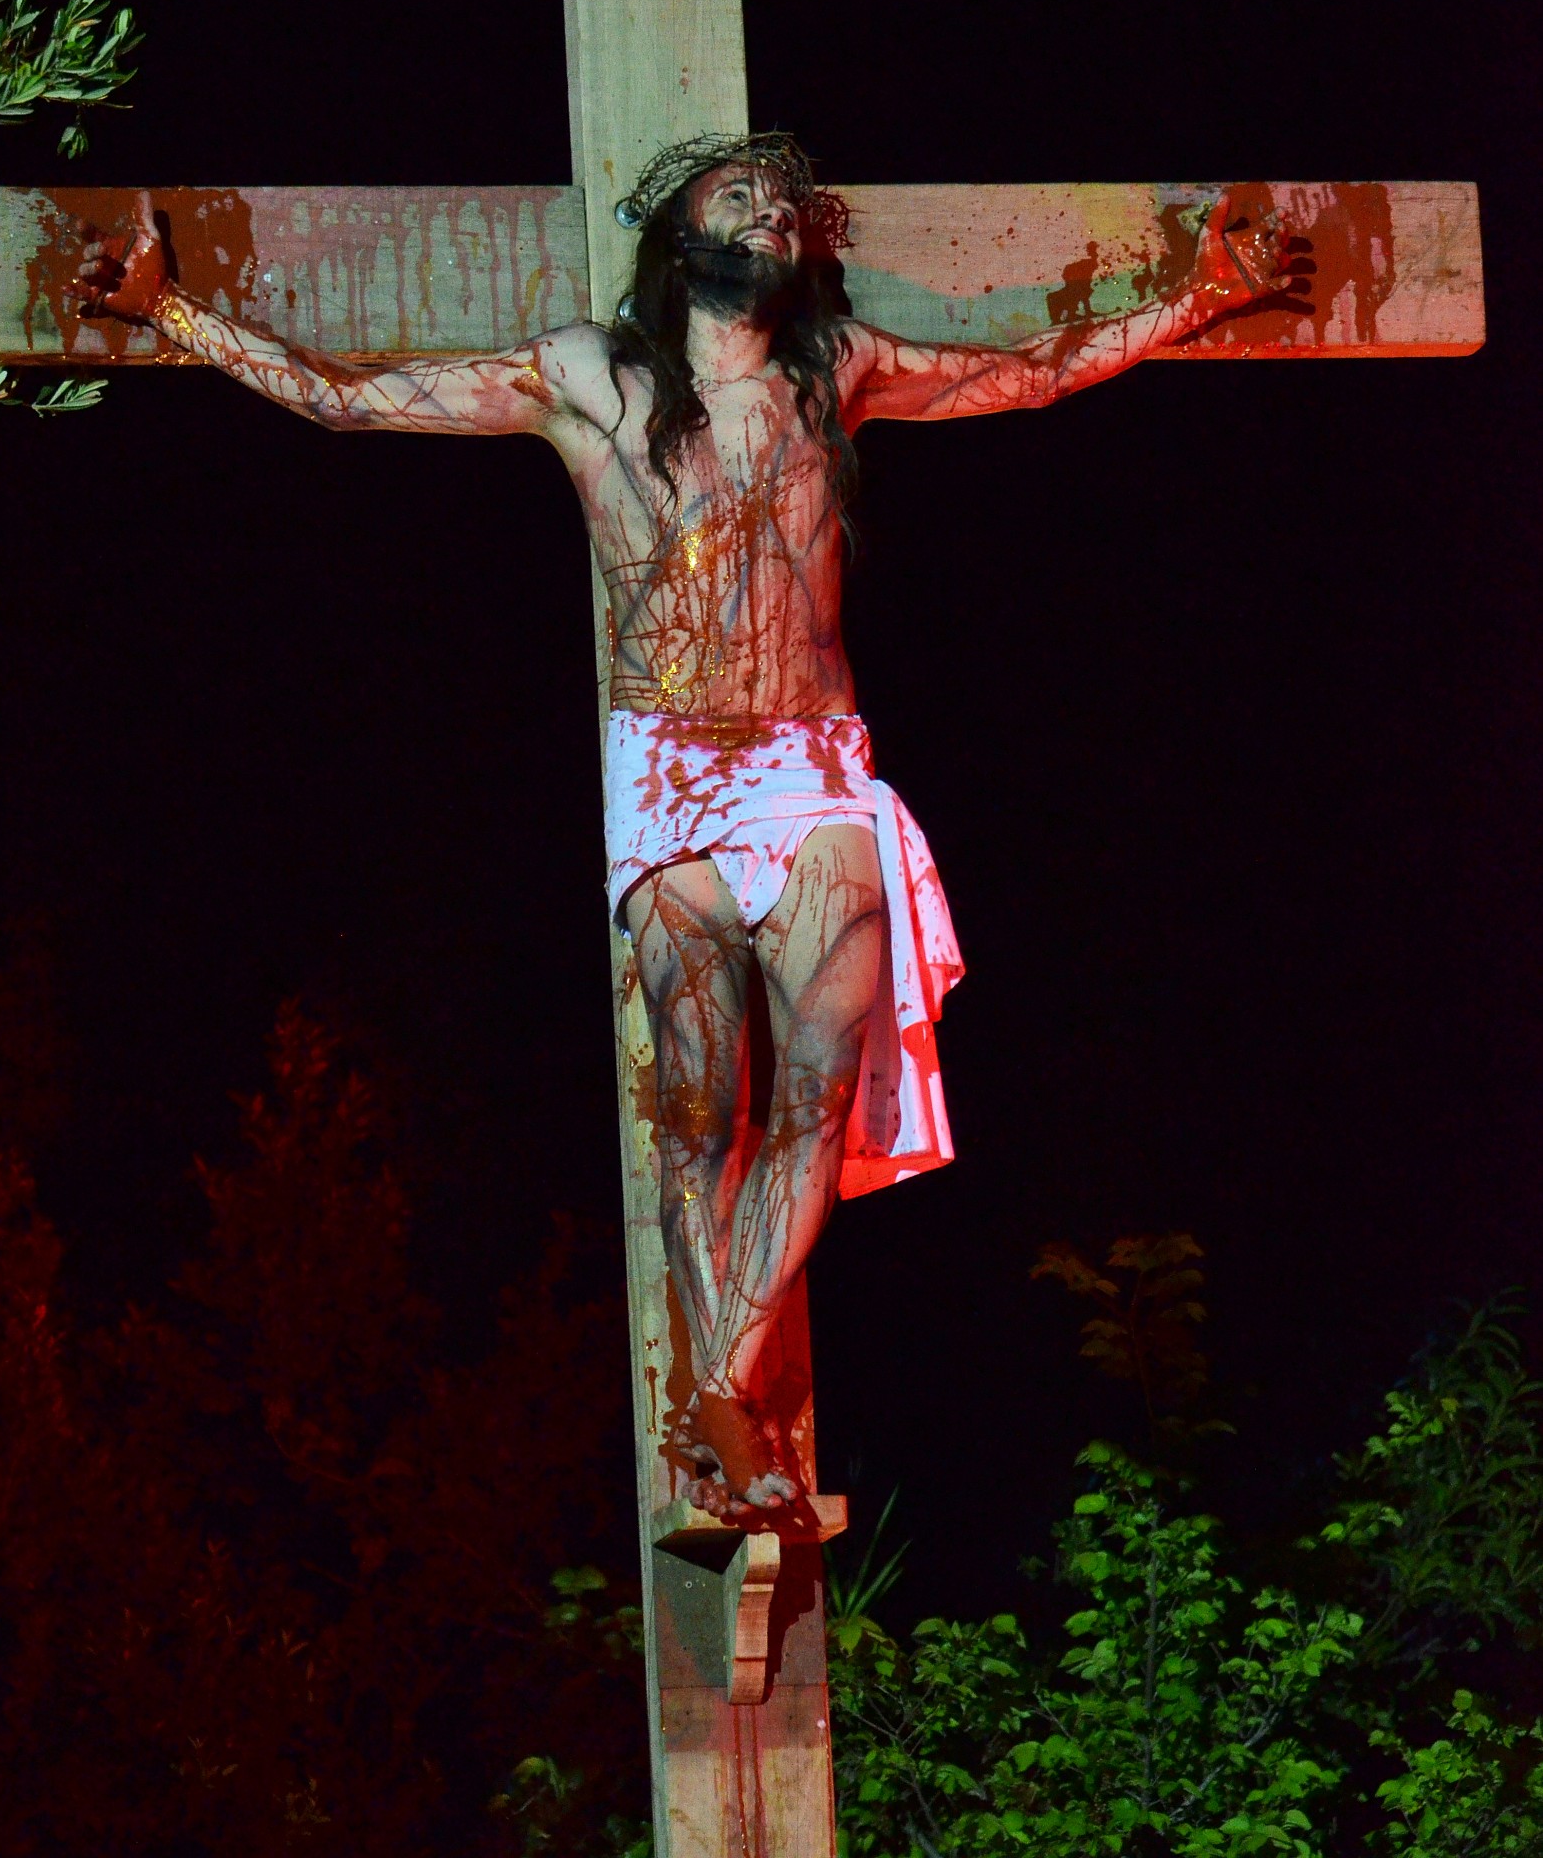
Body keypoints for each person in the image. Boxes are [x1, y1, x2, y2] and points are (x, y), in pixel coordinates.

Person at [74, 135, 1299, 1516]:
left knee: (819, 1083)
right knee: (698, 1095)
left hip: (812, 760)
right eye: (739, 196)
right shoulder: (588, 375)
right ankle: (718, 1403)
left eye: (785, 202)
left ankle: (718, 1386)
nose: (768, 213)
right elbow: (357, 401)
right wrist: (172, 312)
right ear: (677, 232)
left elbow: (1023, 372)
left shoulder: (836, 372)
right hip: (668, 767)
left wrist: (1199, 297)